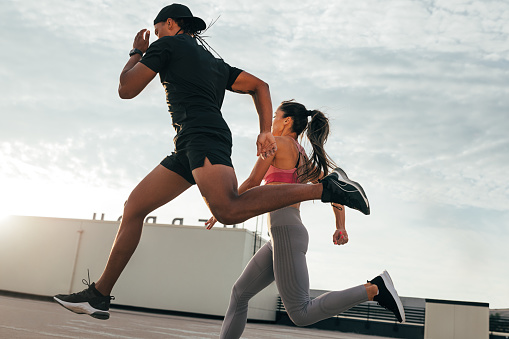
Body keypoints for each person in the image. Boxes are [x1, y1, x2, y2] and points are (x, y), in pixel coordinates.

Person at [53, 4, 370, 320]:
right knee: (134, 207)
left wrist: (136, 52)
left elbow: (126, 89)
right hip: (188, 145)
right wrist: (263, 131)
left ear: (173, 24)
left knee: (228, 210)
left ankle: (325, 189)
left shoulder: (166, 45)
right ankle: (99, 295)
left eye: (159, 27)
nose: (157, 34)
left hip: (202, 137)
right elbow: (260, 87)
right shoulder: (213, 62)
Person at [206, 101, 405, 339]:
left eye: (275, 118)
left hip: (286, 231)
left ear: (287, 121)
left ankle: (374, 289)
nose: (272, 123)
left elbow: (252, 182)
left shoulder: (277, 144)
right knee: (240, 293)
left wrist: (223, 208)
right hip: (282, 234)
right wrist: (340, 226)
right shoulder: (303, 157)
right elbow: (334, 191)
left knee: (301, 313)